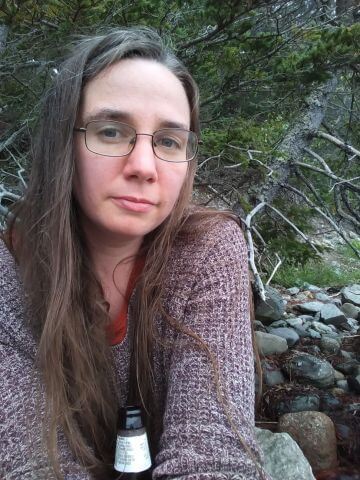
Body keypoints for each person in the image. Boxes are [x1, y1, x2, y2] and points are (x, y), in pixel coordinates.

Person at [0, 27, 269, 480]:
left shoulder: (208, 250)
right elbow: (32, 465)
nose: (143, 167)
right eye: (111, 131)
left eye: (167, 141)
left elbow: (214, 456)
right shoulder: (11, 271)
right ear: (61, 143)